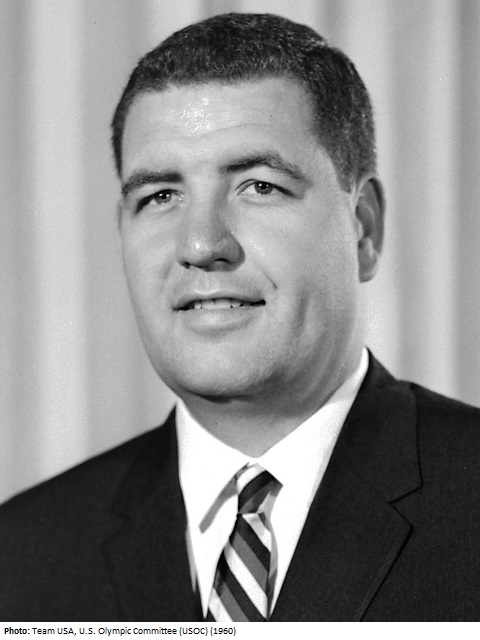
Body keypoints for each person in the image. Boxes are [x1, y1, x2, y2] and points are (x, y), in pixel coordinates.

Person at [1, 12, 480, 623]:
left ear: (362, 228)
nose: (202, 245)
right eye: (160, 196)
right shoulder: (22, 555)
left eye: (259, 187)